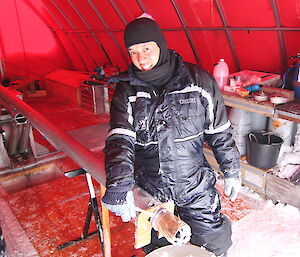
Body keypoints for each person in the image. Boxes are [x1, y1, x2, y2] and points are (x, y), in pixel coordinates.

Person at [102, 16, 241, 257]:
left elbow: (219, 132)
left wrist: (232, 170)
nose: (141, 59)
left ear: (160, 45)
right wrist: (120, 183)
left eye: (146, 49)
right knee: (159, 249)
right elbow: (120, 140)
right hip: (151, 188)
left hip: (193, 184)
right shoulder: (127, 90)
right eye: (133, 52)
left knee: (212, 244)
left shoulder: (198, 83)